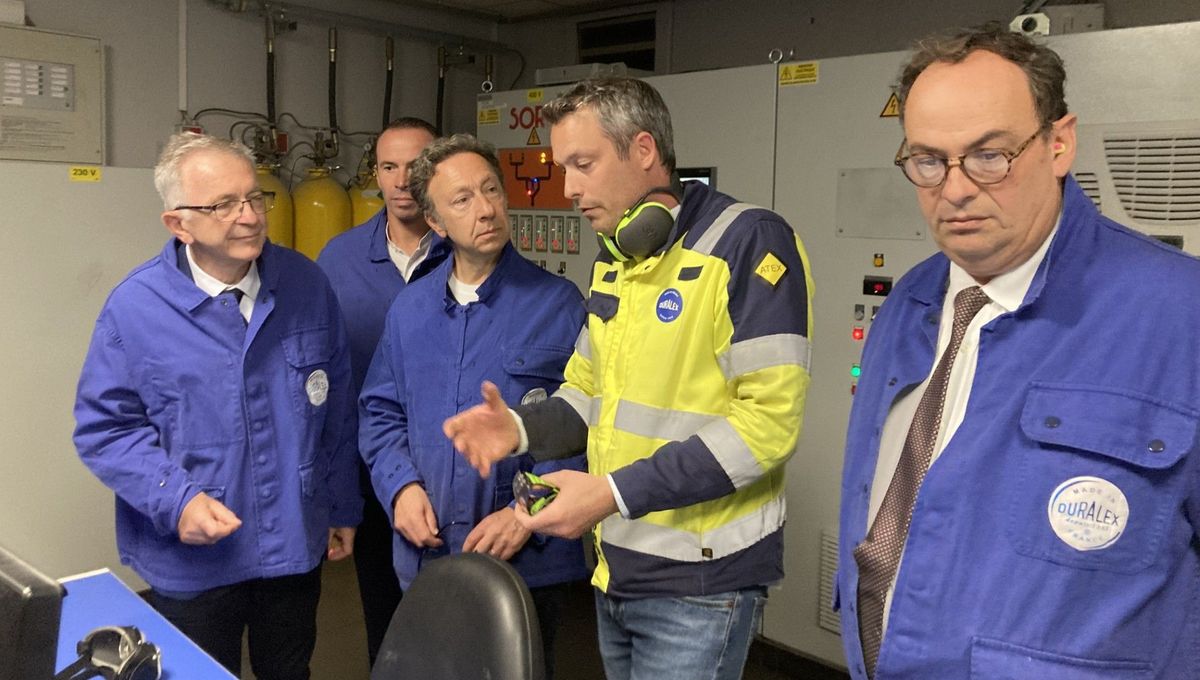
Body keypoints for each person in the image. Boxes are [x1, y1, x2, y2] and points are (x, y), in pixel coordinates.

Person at [836, 24, 1200, 679]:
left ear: (1059, 144)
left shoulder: (1179, 316)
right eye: (927, 159)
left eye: (988, 155)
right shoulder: (908, 306)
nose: (954, 189)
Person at [444, 78, 815, 680]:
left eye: (583, 165)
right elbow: (589, 393)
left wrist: (611, 493)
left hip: (700, 582)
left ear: (643, 150)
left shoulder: (747, 242)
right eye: (563, 168)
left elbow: (767, 428)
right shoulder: (617, 259)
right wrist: (517, 427)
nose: (569, 190)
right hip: (618, 568)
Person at [73, 132, 360, 680]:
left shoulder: (306, 284)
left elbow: (337, 408)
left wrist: (341, 505)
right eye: (223, 204)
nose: (249, 216)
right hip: (191, 561)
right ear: (178, 224)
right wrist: (175, 500)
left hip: (293, 545)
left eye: (255, 198)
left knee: (289, 670)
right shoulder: (135, 309)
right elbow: (105, 430)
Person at [358, 133, 589, 678]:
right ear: (435, 222)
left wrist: (527, 512)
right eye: (462, 199)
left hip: (525, 561)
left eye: (491, 191)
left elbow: (586, 423)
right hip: (428, 553)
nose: (485, 209)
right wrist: (401, 488)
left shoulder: (558, 305)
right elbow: (380, 412)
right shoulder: (410, 310)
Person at [316, 116, 450, 665]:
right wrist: (336, 489)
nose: (400, 181)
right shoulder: (339, 259)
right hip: (374, 473)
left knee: (456, 623)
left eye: (414, 167)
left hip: (451, 470)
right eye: (387, 166)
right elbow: (327, 377)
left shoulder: (465, 251)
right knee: (386, 620)